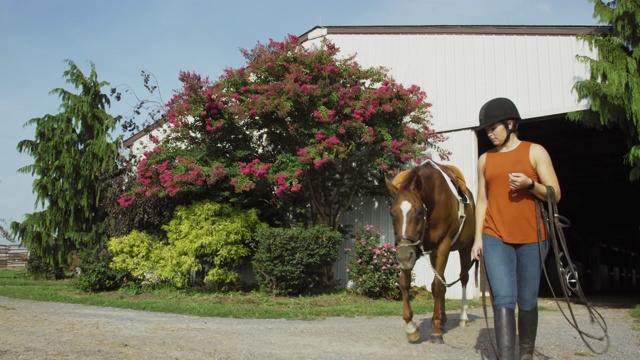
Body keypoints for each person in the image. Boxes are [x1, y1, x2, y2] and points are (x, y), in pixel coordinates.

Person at [471, 97, 561, 360]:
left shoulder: (535, 152)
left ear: (510, 124)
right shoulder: (484, 159)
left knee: (527, 300)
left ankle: (526, 355)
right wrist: (478, 239)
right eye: (486, 130)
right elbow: (482, 200)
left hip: (533, 236)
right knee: (504, 298)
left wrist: (530, 185)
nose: (489, 134)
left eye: (493, 128)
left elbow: (555, 194)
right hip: (495, 235)